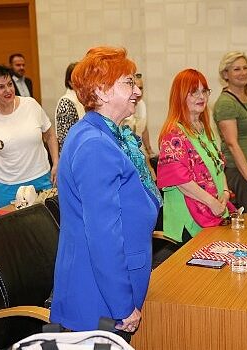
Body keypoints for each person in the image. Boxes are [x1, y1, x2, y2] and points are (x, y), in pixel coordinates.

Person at [50, 47, 160, 339]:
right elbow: (102, 235)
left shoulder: (101, 134)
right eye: (128, 82)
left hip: (105, 289)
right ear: (101, 91)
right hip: (100, 299)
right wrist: (122, 305)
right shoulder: (95, 144)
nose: (137, 90)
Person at [156, 69, 235, 243]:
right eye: (194, 92)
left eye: (204, 91)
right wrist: (212, 202)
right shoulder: (173, 133)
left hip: (214, 213)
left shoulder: (205, 128)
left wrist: (225, 192)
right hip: (189, 220)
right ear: (180, 96)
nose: (202, 97)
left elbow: (219, 165)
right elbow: (179, 180)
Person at [0, 65, 58, 208]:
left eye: (10, 84)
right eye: (0, 87)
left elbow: (50, 135)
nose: (8, 90)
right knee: (9, 229)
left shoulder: (31, 105)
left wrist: (56, 163)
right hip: (4, 187)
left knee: (46, 227)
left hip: (40, 179)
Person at [213, 51, 247, 212]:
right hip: (239, 171)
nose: (243, 73)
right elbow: (232, 143)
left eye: (245, 68)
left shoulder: (242, 98)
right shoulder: (226, 103)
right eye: (236, 69)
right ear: (225, 74)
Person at [54, 62, 85, 150]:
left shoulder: (84, 98)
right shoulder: (66, 102)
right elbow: (65, 138)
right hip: (73, 154)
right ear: (70, 82)